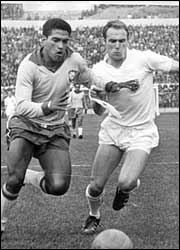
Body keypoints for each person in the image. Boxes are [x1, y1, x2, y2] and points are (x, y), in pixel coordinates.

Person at [1, 18, 105, 237]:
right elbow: (20, 105)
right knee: (13, 179)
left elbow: (90, 78)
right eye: (55, 40)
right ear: (43, 40)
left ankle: (30, 177)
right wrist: (47, 107)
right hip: (25, 125)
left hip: (55, 129)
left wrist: (104, 87)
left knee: (58, 186)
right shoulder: (29, 65)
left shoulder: (74, 60)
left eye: (65, 41)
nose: (61, 46)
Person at [82, 20, 179, 234]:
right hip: (114, 129)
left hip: (142, 131)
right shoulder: (98, 71)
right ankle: (93, 215)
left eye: (121, 41)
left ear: (128, 40)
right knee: (96, 186)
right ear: (104, 41)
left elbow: (175, 66)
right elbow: (99, 112)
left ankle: (126, 188)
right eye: (112, 41)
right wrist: (97, 97)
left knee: (126, 182)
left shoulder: (144, 59)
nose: (117, 45)